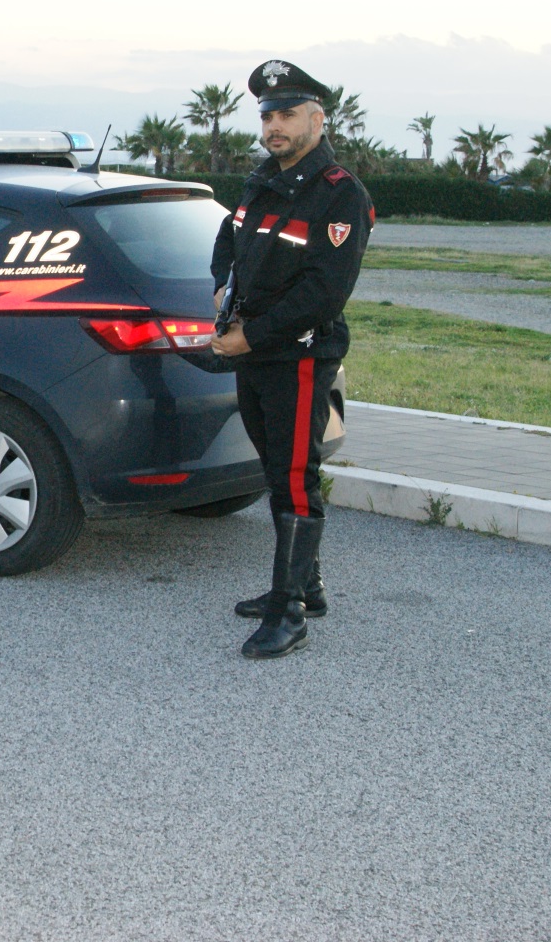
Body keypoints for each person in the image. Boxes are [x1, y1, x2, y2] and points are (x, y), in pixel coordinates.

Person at [209, 60, 373, 658]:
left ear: (317, 118)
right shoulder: (261, 181)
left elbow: (324, 293)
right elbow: (229, 238)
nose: (274, 126)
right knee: (278, 466)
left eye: (287, 115)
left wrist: (250, 339)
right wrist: (222, 291)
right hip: (255, 350)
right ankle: (307, 584)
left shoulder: (341, 194)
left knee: (296, 477)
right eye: (267, 115)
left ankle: (290, 612)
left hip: (298, 356)